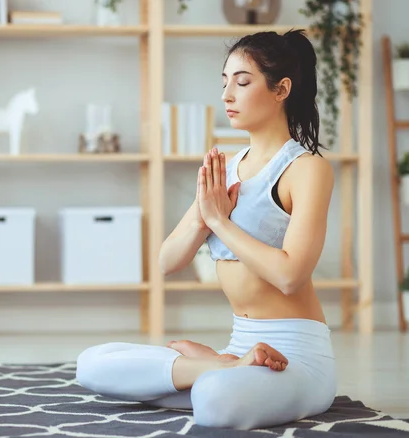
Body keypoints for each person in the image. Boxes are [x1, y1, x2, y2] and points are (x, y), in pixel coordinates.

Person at [75, 28, 337, 430]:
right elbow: (167, 261)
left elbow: (290, 275)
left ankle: (210, 373)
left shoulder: (306, 169)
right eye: (224, 82)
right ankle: (218, 364)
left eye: (242, 82)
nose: (227, 95)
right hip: (238, 351)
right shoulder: (226, 170)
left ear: (281, 89)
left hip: (296, 358)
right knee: (92, 364)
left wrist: (218, 220)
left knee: (213, 399)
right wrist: (203, 214)